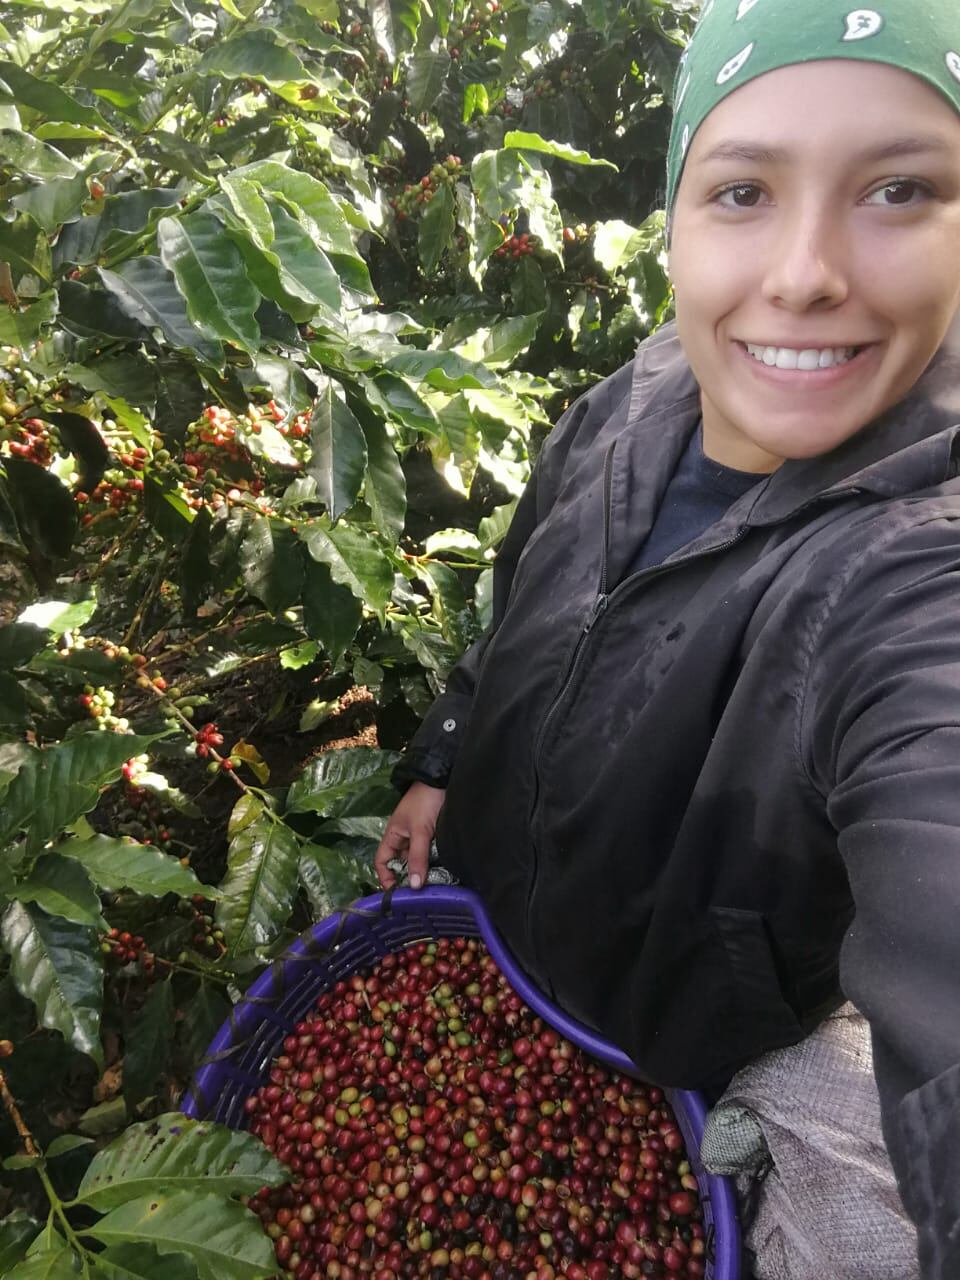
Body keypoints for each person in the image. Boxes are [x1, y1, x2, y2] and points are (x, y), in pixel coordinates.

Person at [375, 2, 960, 1275]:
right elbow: (527, 583)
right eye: (744, 190)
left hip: (674, 1030)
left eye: (901, 186)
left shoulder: (920, 569)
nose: (806, 270)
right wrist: (448, 750)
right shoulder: (632, 396)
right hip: (498, 949)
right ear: (678, 223)